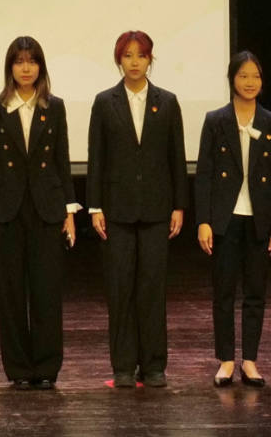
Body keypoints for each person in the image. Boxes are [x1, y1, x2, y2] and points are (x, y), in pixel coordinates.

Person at [0, 36, 79, 389]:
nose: (26, 68)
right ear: (10, 68)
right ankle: (18, 368)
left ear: (41, 67)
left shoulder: (54, 106)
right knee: (11, 293)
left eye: (32, 61)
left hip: (47, 208)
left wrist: (69, 211)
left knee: (47, 292)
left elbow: (62, 160)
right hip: (7, 208)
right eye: (19, 62)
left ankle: (46, 367)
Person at [87, 30, 187, 388]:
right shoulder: (105, 102)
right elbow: (96, 156)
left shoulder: (167, 101)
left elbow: (177, 156)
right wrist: (94, 206)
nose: (134, 62)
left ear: (150, 59)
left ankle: (155, 365)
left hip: (158, 208)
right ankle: (123, 366)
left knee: (152, 288)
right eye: (128, 55)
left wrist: (179, 206)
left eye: (141, 55)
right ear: (119, 59)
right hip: (116, 209)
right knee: (120, 288)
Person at [194, 51, 271, 387]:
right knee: (223, 293)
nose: (250, 82)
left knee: (255, 293)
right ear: (232, 79)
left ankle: (249, 361)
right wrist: (203, 221)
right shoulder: (216, 120)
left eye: (256, 76)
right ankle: (226, 361)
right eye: (243, 76)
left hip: (260, 219)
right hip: (225, 218)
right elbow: (204, 173)